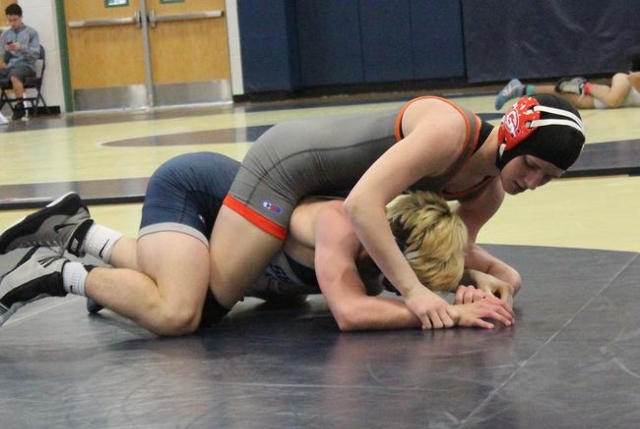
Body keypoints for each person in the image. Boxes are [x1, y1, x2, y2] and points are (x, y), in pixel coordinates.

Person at [0, 152, 515, 335]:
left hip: (228, 228)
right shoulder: (341, 224)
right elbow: (352, 314)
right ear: (392, 250)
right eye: (414, 282)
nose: (411, 292)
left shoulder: (399, 236)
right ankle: (51, 268)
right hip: (192, 189)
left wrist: (474, 285)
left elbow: (495, 274)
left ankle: (79, 231)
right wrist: (442, 313)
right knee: (181, 312)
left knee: (217, 281)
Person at [203, 93, 585, 330]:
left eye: (547, 178)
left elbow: (445, 253)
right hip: (284, 168)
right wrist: (413, 292)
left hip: (326, 195)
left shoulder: (487, 193)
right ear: (514, 136)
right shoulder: (449, 132)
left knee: (333, 282)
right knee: (200, 310)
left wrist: (500, 279)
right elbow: (361, 204)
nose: (533, 182)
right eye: (532, 165)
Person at [495, 73, 640, 110]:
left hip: (617, 98)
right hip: (624, 84)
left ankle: (520, 89)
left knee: (573, 100)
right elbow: (631, 77)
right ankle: (583, 86)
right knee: (614, 100)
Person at [0, 3, 40, 121]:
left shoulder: (31, 33)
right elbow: (2, 55)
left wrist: (21, 48)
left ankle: (19, 106)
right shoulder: (5, 35)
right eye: (10, 20)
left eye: (15, 20)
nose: (12, 23)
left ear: (21, 17)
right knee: (10, 71)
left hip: (26, 65)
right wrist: (5, 53)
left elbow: (36, 53)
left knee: (14, 75)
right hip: (10, 65)